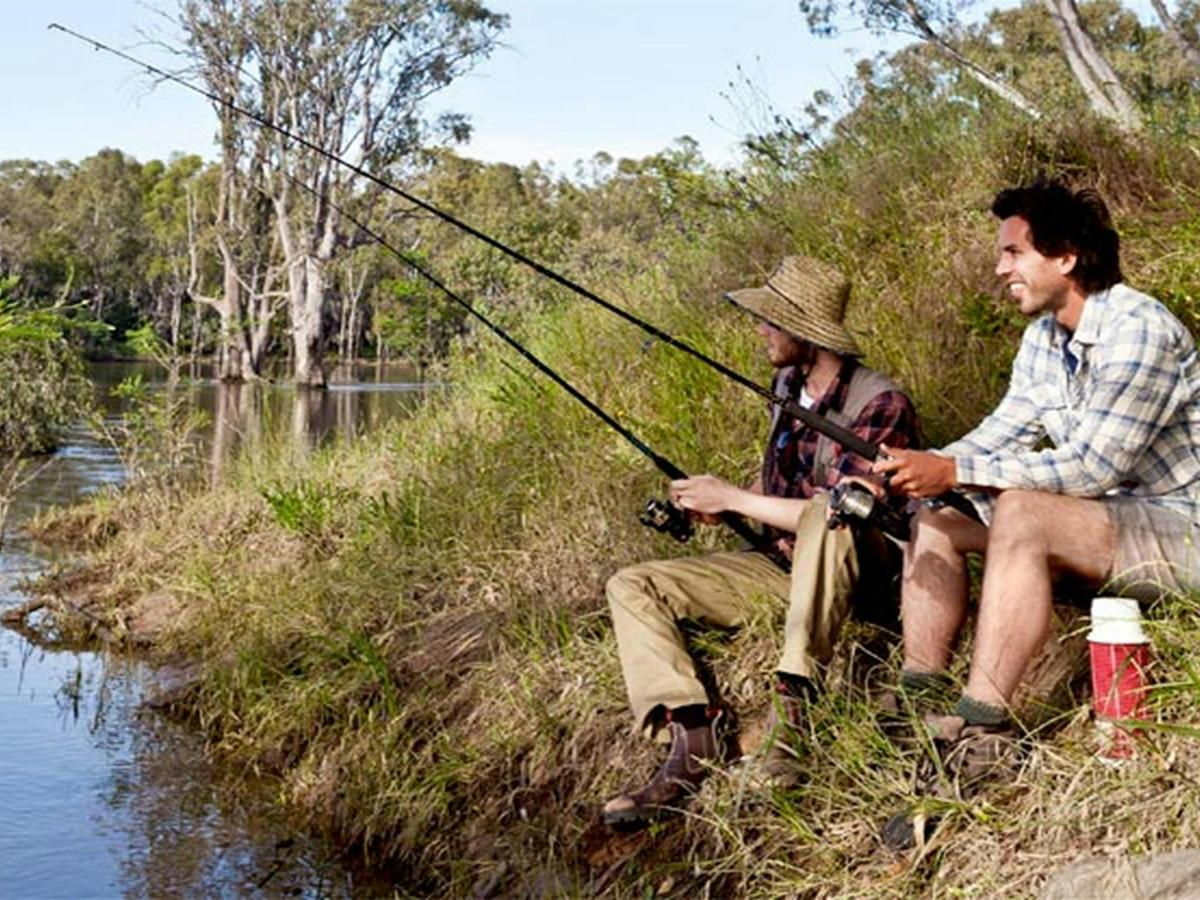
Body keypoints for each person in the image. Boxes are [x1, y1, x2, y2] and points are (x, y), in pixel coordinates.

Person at [873, 182, 1200, 849]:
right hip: (1110, 526)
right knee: (936, 516)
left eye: (1014, 252)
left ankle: (985, 729)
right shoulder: (1043, 342)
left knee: (1020, 509)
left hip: (1184, 532)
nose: (1000, 269)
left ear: (1067, 257)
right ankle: (920, 700)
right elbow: (1000, 436)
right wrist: (918, 469)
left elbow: (1091, 469)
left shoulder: (1140, 328)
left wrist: (959, 470)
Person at [602, 255, 920, 827]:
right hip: (780, 567)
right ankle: (692, 734)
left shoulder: (880, 404)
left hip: (863, 578)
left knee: (832, 512)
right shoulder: (786, 385)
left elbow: (847, 511)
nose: (761, 330)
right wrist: (716, 503)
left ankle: (792, 716)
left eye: (771, 321)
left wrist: (736, 501)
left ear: (803, 329)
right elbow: (782, 487)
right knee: (632, 584)